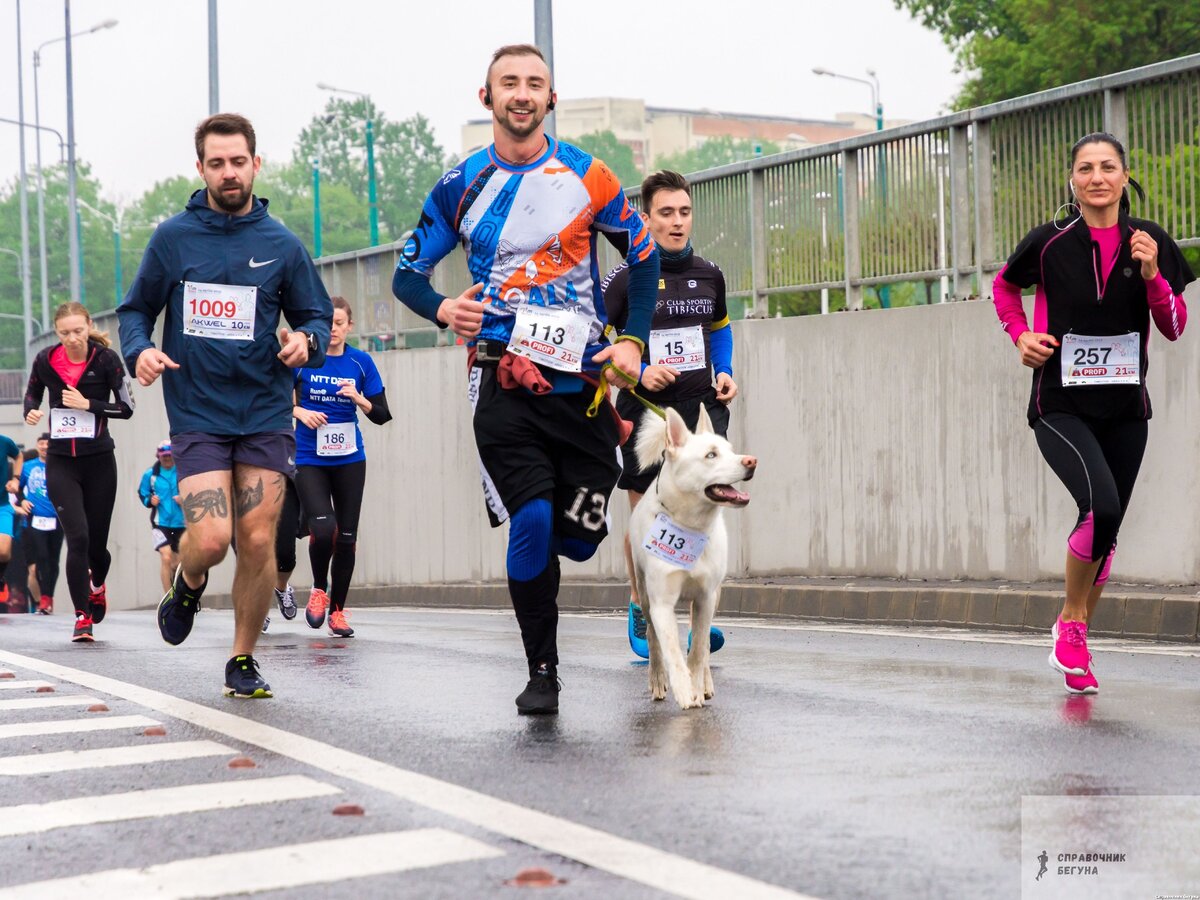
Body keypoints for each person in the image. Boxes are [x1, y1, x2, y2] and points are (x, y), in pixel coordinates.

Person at [392, 43, 659, 715]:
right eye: (508, 83)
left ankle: (562, 565)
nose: (521, 93)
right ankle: (543, 671)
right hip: (501, 384)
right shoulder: (460, 185)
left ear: (550, 99)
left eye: (534, 83)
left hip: (585, 389)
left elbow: (646, 260)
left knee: (578, 536)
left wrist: (631, 339)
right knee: (533, 519)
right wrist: (443, 307)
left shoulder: (589, 176)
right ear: (487, 98)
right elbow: (406, 274)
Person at [117, 112, 332, 698]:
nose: (229, 172)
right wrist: (139, 351)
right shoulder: (173, 239)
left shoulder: (282, 245)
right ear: (201, 168)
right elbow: (135, 310)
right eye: (218, 163)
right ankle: (188, 583)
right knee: (211, 539)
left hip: (264, 410)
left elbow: (315, 316)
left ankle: (242, 658)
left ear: (256, 164)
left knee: (259, 541)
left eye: (239, 161)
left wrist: (304, 341)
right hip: (200, 413)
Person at [992, 132, 1193, 695]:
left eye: (1108, 167)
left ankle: (1071, 630)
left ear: (1126, 177)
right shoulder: (1050, 243)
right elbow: (1004, 289)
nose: (1097, 177)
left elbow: (1174, 328)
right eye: (1086, 168)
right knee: (1099, 506)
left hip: (1127, 408)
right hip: (1059, 403)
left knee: (1108, 527)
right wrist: (1020, 336)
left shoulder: (1151, 240)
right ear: (1073, 181)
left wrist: (1153, 276)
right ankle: (1073, 624)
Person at [601, 170, 736, 660]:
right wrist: (637, 371)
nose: (677, 222)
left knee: (701, 515)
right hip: (646, 416)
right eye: (666, 213)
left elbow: (720, 329)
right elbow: (597, 343)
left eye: (684, 212)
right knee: (647, 517)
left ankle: (697, 613)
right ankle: (642, 607)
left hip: (702, 413)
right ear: (645, 217)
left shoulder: (709, 273)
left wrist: (725, 370)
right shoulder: (624, 279)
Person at [24, 302, 134, 641]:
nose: (72, 339)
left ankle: (97, 585)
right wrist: (30, 412)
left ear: (88, 327)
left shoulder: (106, 360)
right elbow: (32, 396)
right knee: (78, 537)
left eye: (78, 331)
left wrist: (89, 405)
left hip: (99, 461)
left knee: (97, 546)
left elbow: (127, 408)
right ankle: (82, 616)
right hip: (61, 462)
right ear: (57, 333)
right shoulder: (45, 360)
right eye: (64, 333)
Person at [284, 296, 392, 638]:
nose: (333, 330)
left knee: (346, 538)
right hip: (309, 458)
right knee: (323, 527)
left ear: (350, 326)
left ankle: (339, 611)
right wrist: (299, 412)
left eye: (340, 324)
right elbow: (274, 401)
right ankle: (318, 589)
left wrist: (358, 399)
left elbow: (382, 414)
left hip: (349, 459)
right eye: (328, 323)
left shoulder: (360, 363)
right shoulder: (302, 361)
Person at [18, 434, 63, 614]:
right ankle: (44, 599)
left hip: (57, 519)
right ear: (37, 446)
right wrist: (22, 501)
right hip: (36, 519)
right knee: (41, 557)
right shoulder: (28, 467)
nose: (44, 446)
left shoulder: (60, 466)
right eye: (41, 444)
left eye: (47, 443)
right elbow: (18, 487)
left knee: (54, 561)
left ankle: (49, 596)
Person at [138, 440, 184, 594]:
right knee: (166, 557)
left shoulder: (183, 471)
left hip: (182, 523)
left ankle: (179, 594)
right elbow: (143, 493)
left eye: (170, 455)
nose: (167, 458)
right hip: (160, 523)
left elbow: (195, 493)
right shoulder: (150, 474)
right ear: (158, 456)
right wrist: (150, 501)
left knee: (178, 563)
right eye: (164, 456)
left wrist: (185, 499)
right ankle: (168, 597)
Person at [0, 432, 21, 612]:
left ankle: (0, 577)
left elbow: (18, 455)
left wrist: (16, 479)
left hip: (2, 506)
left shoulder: (4, 442)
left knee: (4, 551)